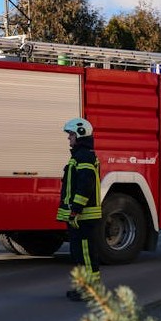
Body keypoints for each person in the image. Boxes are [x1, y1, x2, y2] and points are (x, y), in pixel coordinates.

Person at [57, 117, 102, 301]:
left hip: (84, 217)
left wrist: (76, 209)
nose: (69, 138)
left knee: (86, 255)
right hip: (79, 217)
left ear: (80, 134)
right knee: (79, 254)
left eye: (71, 134)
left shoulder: (84, 157)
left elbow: (85, 185)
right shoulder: (79, 156)